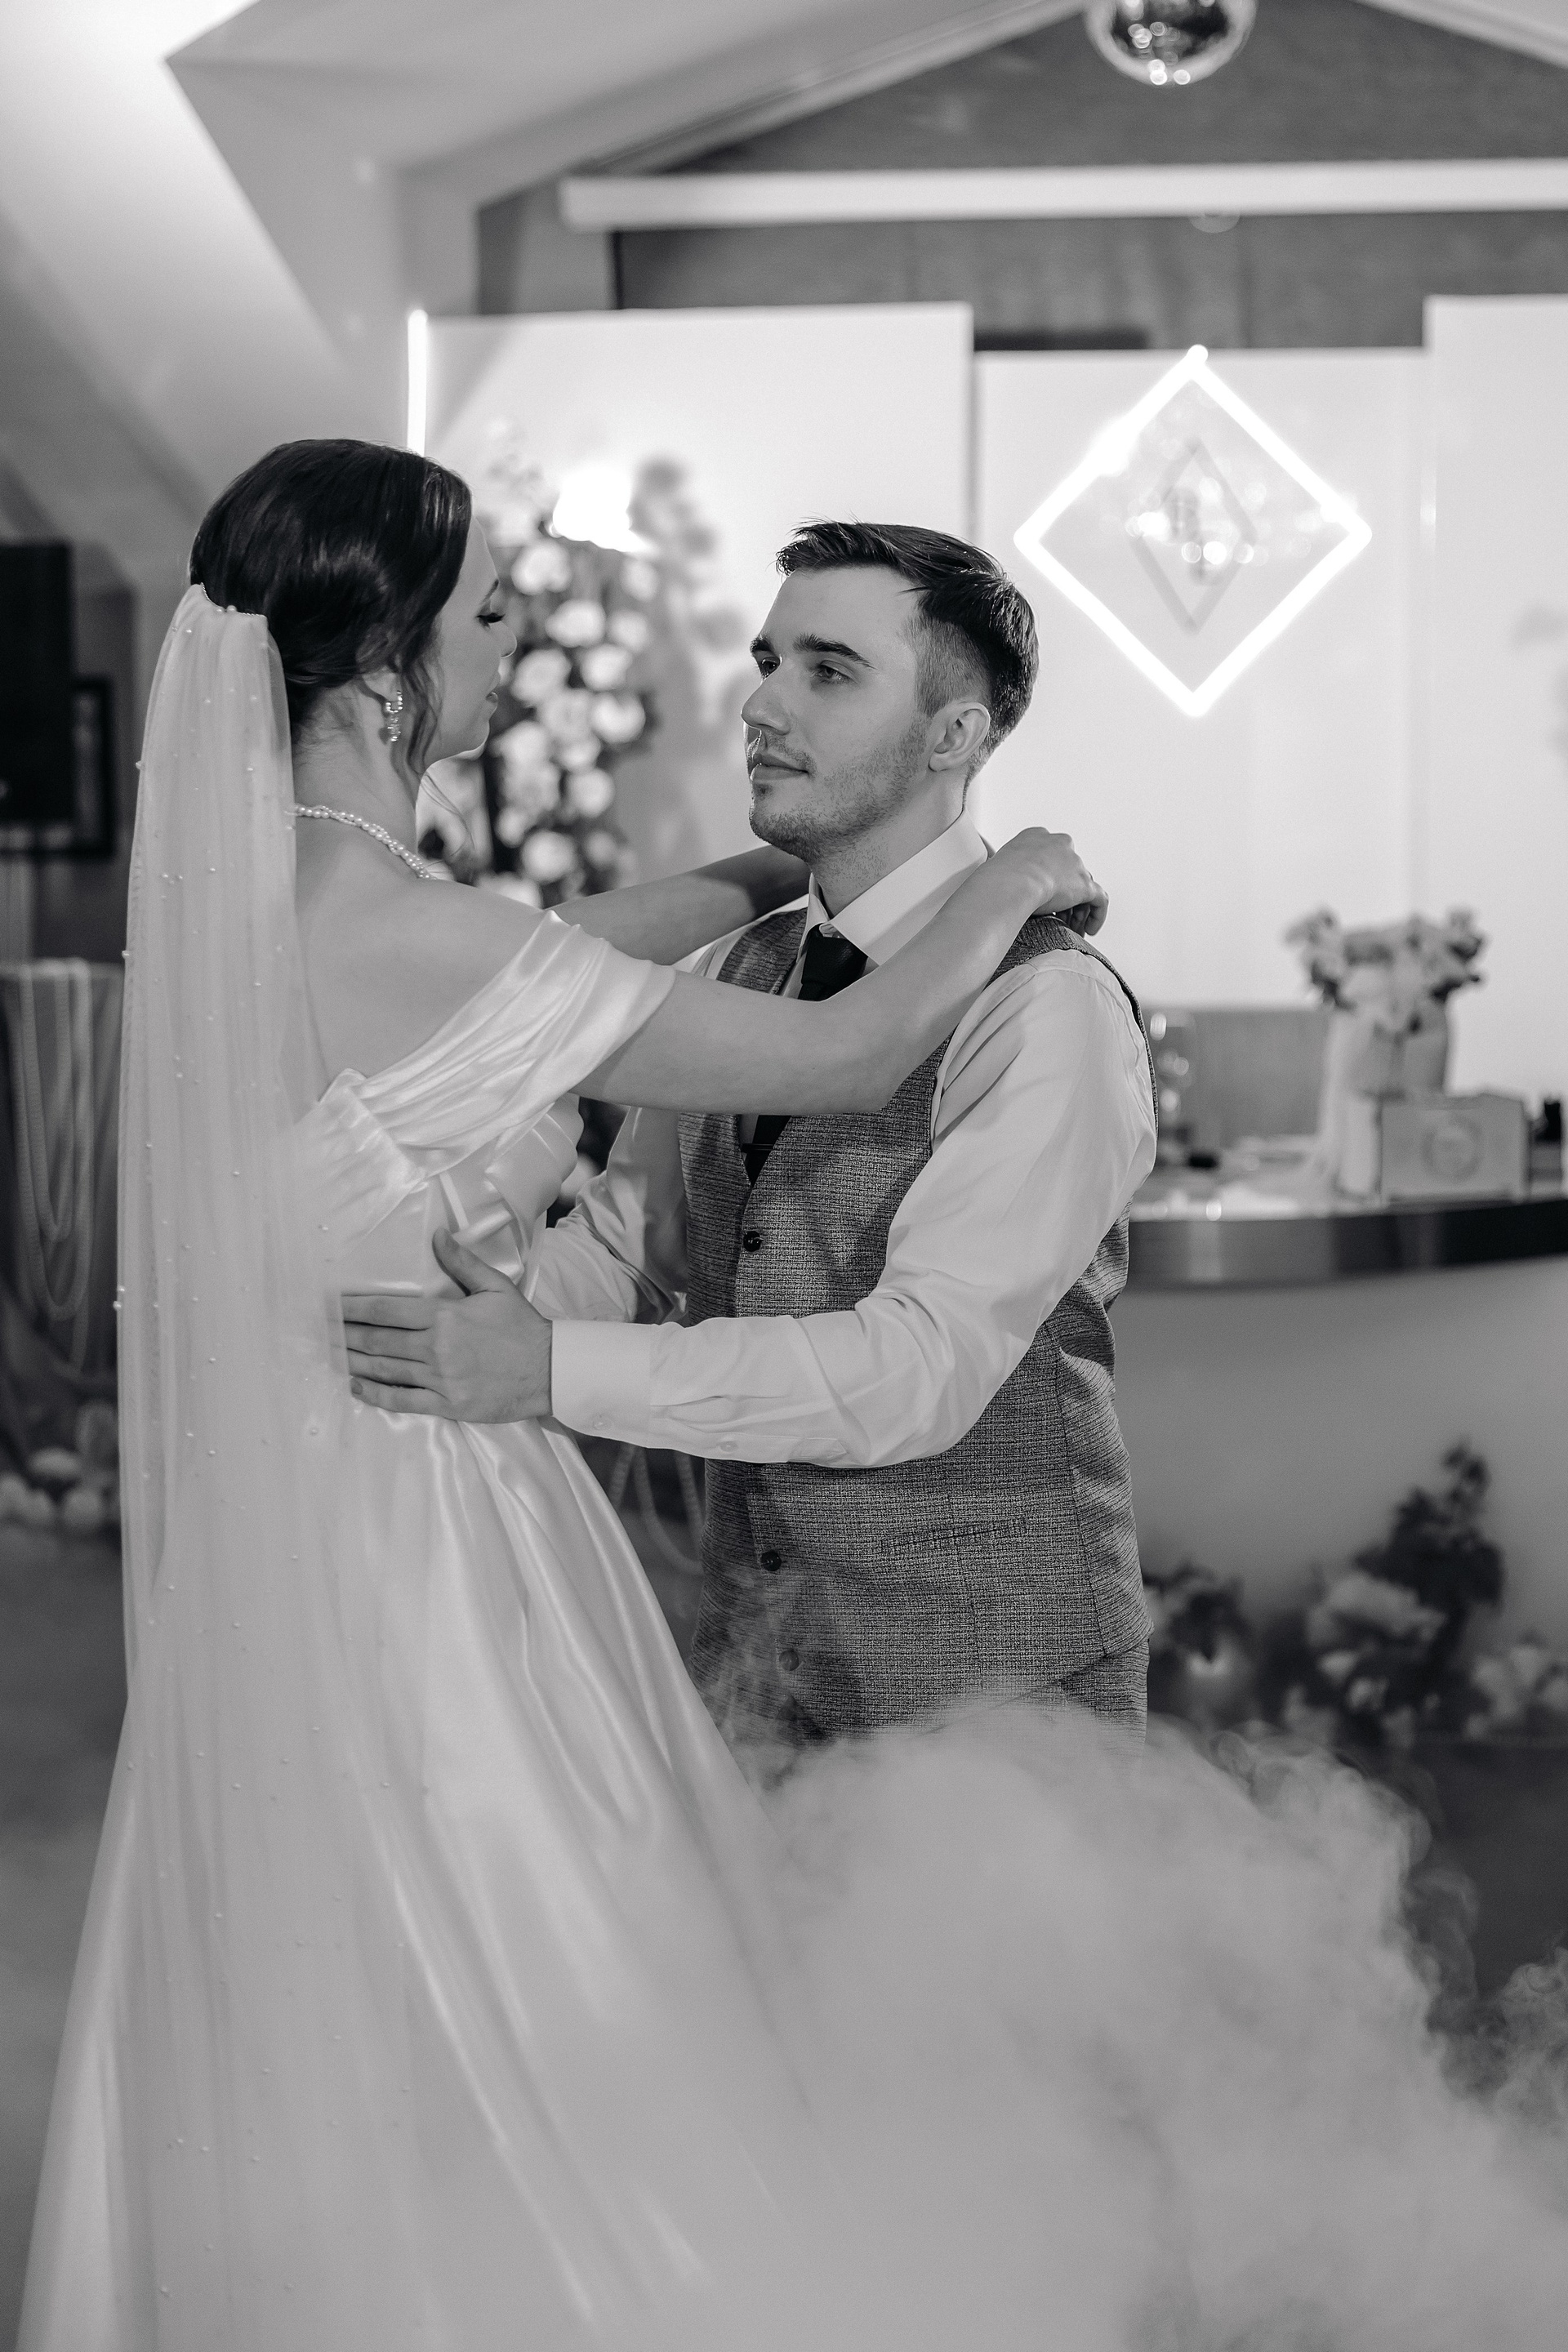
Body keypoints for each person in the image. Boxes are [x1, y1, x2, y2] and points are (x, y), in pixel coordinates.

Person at [16, 442, 1107, 2351]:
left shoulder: (269, 896)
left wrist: (802, 860)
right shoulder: (411, 929)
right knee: (528, 1967)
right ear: (387, 667)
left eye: (820, 670)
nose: (519, 641)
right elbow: (847, 1054)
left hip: (316, 1516)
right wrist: (1012, 871)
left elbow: (597, 943)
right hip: (425, 1523)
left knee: (370, 1986)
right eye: (493, 613)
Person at [342, 523, 1157, 1754]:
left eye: (830, 671)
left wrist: (549, 1370)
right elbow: (635, 1252)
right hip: (754, 1676)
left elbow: (921, 1368)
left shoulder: (1048, 1003)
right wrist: (443, 1321)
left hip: (996, 1698)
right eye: (770, 661)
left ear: (956, 734)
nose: (762, 703)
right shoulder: (741, 964)